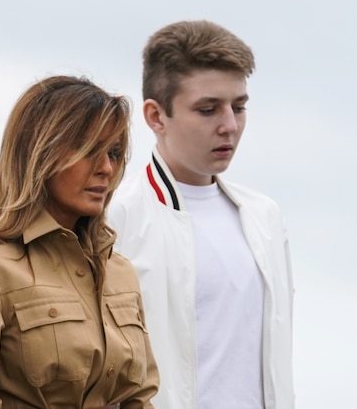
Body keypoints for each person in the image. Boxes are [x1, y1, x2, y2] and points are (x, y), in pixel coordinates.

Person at [108, 20, 295, 409]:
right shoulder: (116, 217)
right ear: (156, 116)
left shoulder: (265, 217)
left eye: (239, 107)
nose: (229, 125)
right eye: (208, 109)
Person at [0, 75, 159, 409]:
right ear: (38, 152)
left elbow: (139, 399)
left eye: (114, 152)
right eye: (89, 150)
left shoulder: (120, 270)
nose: (107, 168)